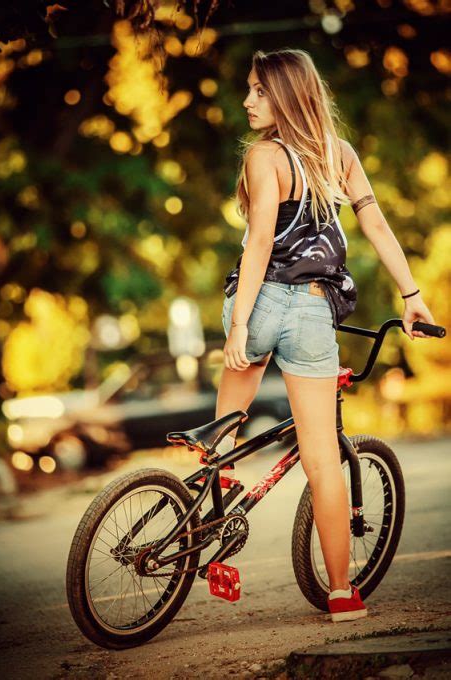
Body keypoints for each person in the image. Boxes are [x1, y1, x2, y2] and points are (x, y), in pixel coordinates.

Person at [214, 48, 435, 622]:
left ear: (285, 93)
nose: (247, 101)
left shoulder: (266, 157)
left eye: (258, 90)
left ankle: (215, 513)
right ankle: (342, 593)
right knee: (321, 461)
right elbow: (376, 223)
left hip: (259, 303)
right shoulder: (341, 156)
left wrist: (239, 327)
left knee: (222, 435)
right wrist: (412, 296)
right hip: (313, 312)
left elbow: (260, 240)